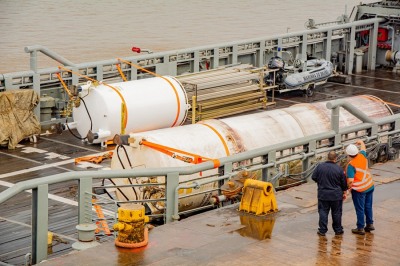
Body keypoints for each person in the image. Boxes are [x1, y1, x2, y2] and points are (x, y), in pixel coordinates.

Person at [312, 151, 348, 236]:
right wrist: (344, 191)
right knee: (337, 213)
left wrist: (321, 182)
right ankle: (338, 230)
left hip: (323, 194)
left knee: (323, 212)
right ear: (336, 159)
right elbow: (343, 183)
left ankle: (322, 230)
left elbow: (314, 177)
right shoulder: (339, 169)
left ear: (327, 157)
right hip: (336, 195)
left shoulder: (320, 167)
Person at [345, 139, 375, 235]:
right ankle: (370, 224)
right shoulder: (362, 156)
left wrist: (347, 189)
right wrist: (361, 142)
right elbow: (363, 149)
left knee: (360, 208)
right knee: (368, 206)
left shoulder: (351, 165)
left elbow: (350, 181)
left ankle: (360, 227)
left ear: (348, 155)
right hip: (369, 185)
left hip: (359, 189)